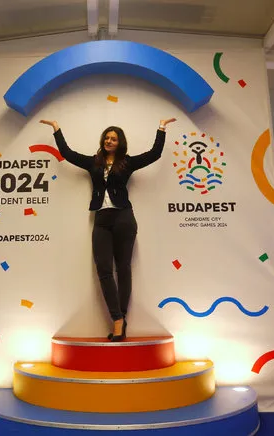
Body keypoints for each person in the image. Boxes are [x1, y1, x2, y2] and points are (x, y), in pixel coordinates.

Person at [40, 118, 177, 341]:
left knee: (123, 268)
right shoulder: (93, 163)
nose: (109, 140)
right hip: (101, 220)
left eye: (113, 138)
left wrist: (161, 128)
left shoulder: (127, 162)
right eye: (106, 137)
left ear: (119, 142)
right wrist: (56, 128)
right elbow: (67, 153)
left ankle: (120, 320)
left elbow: (154, 154)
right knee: (104, 269)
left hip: (124, 217)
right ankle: (118, 318)